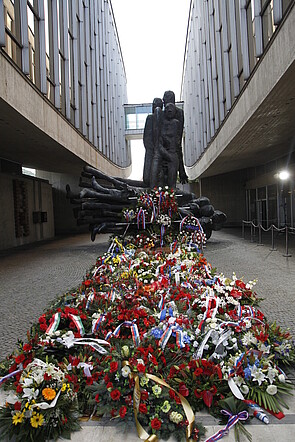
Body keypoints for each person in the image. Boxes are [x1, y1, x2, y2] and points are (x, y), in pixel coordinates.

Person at [162, 90, 188, 184]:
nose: (163, 101)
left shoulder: (179, 113)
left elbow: (178, 138)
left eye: (164, 98)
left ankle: (181, 172)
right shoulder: (161, 113)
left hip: (172, 147)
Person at [143, 98, 163, 187]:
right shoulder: (150, 118)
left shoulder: (165, 119)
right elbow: (146, 137)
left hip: (161, 151)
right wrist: (152, 149)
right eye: (155, 105)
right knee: (147, 177)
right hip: (151, 150)